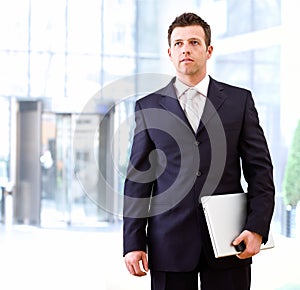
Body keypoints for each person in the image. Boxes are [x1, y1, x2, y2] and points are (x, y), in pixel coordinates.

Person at [123, 12, 275, 290]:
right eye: (178, 44)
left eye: (194, 42)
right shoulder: (148, 107)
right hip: (168, 242)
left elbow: (260, 172)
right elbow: (137, 182)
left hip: (230, 240)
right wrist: (133, 242)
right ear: (170, 53)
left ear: (209, 50)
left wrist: (257, 228)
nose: (186, 49)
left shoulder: (239, 101)